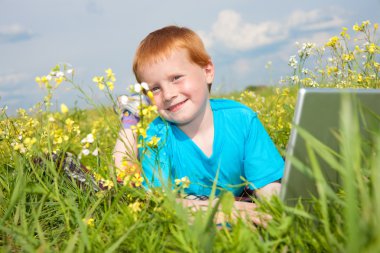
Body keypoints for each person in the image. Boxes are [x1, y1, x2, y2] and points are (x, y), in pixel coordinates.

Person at [113, 25, 284, 224]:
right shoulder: (156, 136)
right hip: (207, 205)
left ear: (207, 71)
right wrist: (231, 209)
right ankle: (130, 117)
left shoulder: (242, 119)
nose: (168, 95)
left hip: (210, 202)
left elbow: (269, 188)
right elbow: (159, 204)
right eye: (155, 89)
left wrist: (276, 211)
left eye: (176, 78)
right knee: (124, 178)